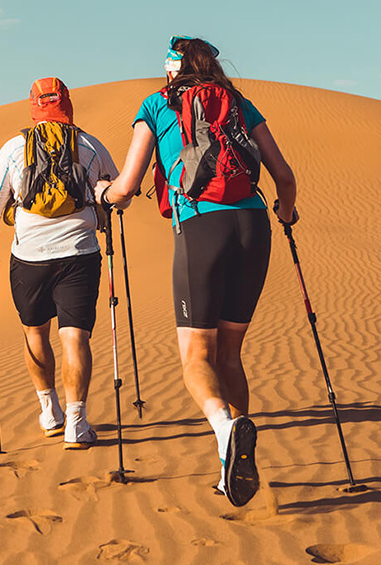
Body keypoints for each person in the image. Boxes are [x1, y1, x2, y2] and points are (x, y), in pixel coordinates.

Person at [95, 36, 297, 506]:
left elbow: (127, 186)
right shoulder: (241, 104)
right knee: (230, 354)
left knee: (195, 358)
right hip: (254, 227)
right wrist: (286, 213)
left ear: (171, 69)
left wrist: (105, 194)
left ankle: (227, 431)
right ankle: (234, 463)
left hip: (201, 229)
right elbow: (283, 176)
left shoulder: (156, 104)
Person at [0, 77, 120, 449]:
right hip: (80, 255)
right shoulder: (90, 145)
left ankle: (49, 412)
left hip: (29, 258)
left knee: (35, 333)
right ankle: (76, 423)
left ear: (33, 105)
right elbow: (120, 196)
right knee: (75, 338)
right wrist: (100, 196)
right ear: (67, 104)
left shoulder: (13, 148)